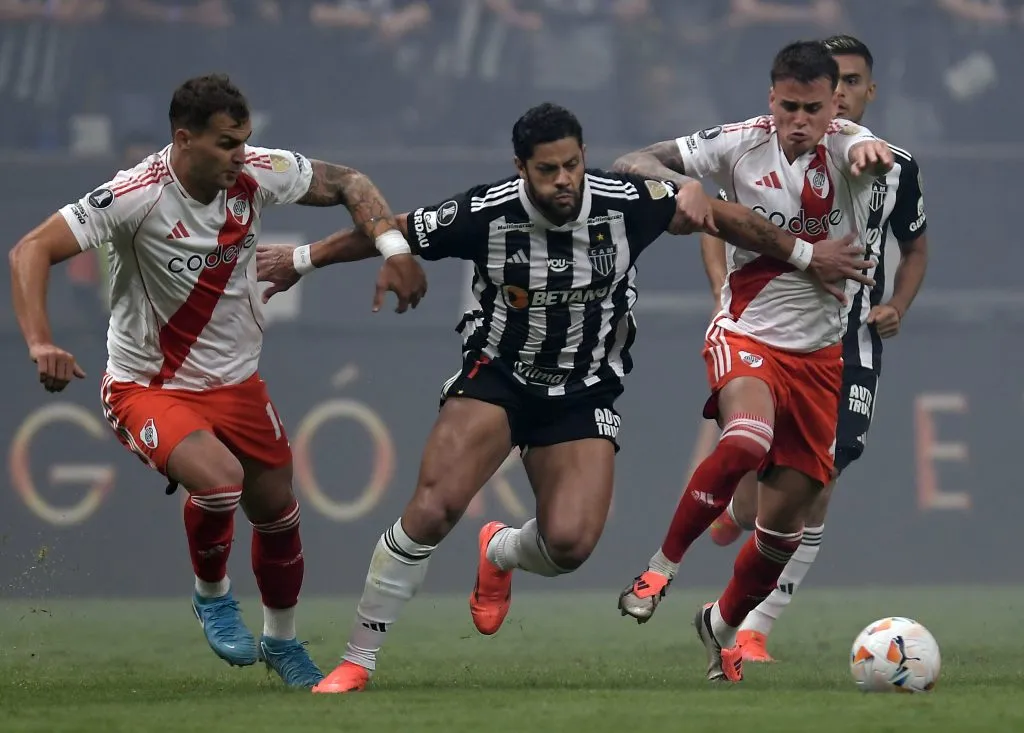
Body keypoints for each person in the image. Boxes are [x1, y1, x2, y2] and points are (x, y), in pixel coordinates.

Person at [255, 101, 875, 693]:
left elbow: (724, 218)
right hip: (499, 377)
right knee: (434, 506)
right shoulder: (485, 213)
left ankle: (499, 548)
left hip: (583, 392)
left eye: (572, 164)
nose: (564, 180)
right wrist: (302, 259)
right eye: (547, 169)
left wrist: (802, 253)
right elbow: (391, 230)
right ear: (521, 168)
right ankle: (357, 660)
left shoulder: (625, 203)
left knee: (570, 546)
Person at [8, 73, 427, 688]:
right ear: (184, 139)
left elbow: (348, 182)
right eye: (228, 143)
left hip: (237, 384)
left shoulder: (256, 172)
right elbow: (29, 250)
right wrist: (40, 341)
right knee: (221, 482)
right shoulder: (135, 195)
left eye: (245, 140)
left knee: (279, 513)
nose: (241, 155)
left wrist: (393, 248)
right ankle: (213, 595)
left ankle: (282, 645)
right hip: (146, 385)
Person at [612, 40, 894, 683]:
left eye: (814, 108)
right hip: (747, 331)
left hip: (820, 358)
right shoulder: (738, 141)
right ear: (771, 99)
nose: (801, 120)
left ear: (834, 106)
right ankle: (660, 567)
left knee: (782, 531)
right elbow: (630, 161)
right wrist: (680, 180)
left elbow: (862, 149)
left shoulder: (851, 145)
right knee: (744, 439)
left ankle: (720, 624)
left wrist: (868, 152)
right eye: (789, 106)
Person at [702, 34, 929, 664]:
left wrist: (896, 306)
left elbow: (914, 247)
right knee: (760, 503)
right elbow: (719, 218)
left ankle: (754, 626)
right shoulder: (764, 152)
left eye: (854, 84)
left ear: (862, 93)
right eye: (838, 85)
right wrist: (722, 290)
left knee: (821, 479)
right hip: (771, 336)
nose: (845, 97)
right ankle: (737, 507)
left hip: (850, 346)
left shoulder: (893, 166)